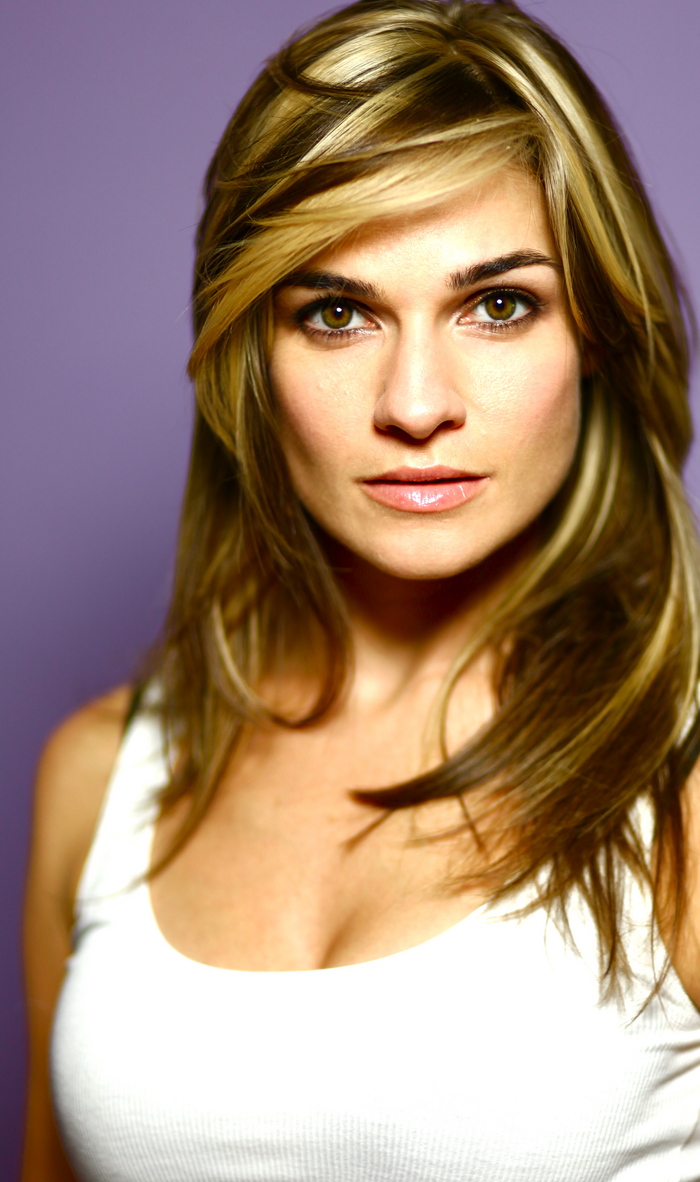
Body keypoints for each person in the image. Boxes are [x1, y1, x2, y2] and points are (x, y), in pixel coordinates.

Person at [22, 0, 700, 1178]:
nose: (416, 403)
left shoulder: (678, 791)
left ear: (593, 327)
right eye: (336, 313)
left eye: (498, 304)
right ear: (251, 346)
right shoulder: (100, 776)